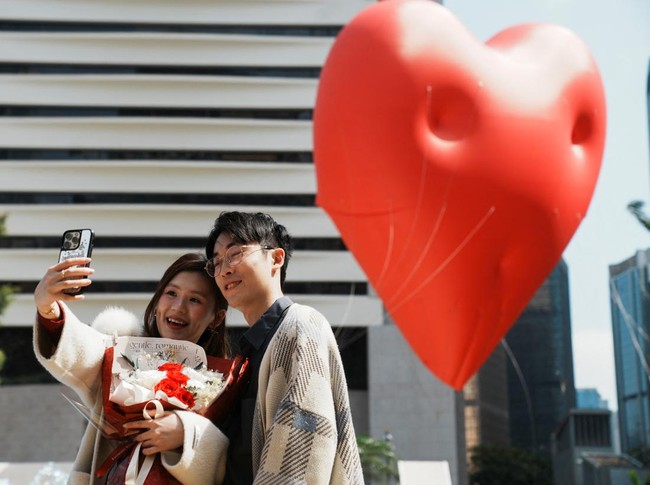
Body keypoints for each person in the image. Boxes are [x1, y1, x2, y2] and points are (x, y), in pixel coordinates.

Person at [34, 252, 231, 484]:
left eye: (195, 300)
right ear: (158, 301)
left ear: (216, 318)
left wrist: (187, 432)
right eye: (171, 293)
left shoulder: (226, 382)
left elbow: (235, 462)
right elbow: (83, 349)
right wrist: (49, 309)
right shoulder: (121, 351)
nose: (178, 307)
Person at [204, 211, 364, 484]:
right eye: (216, 262)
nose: (224, 270)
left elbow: (303, 450)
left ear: (276, 258)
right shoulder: (250, 350)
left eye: (235, 254)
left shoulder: (300, 327)